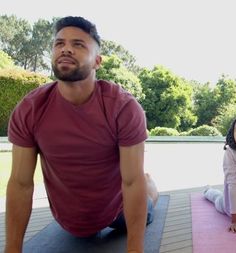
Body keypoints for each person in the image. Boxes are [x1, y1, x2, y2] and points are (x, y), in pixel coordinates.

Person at [5, 16, 158, 253]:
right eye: (59, 43)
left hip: (118, 211)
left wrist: (135, 250)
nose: (66, 48)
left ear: (97, 61)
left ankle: (152, 185)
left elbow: (130, 181)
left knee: (146, 195)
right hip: (70, 220)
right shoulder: (30, 109)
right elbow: (21, 183)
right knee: (81, 234)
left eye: (78, 44)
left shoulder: (123, 107)